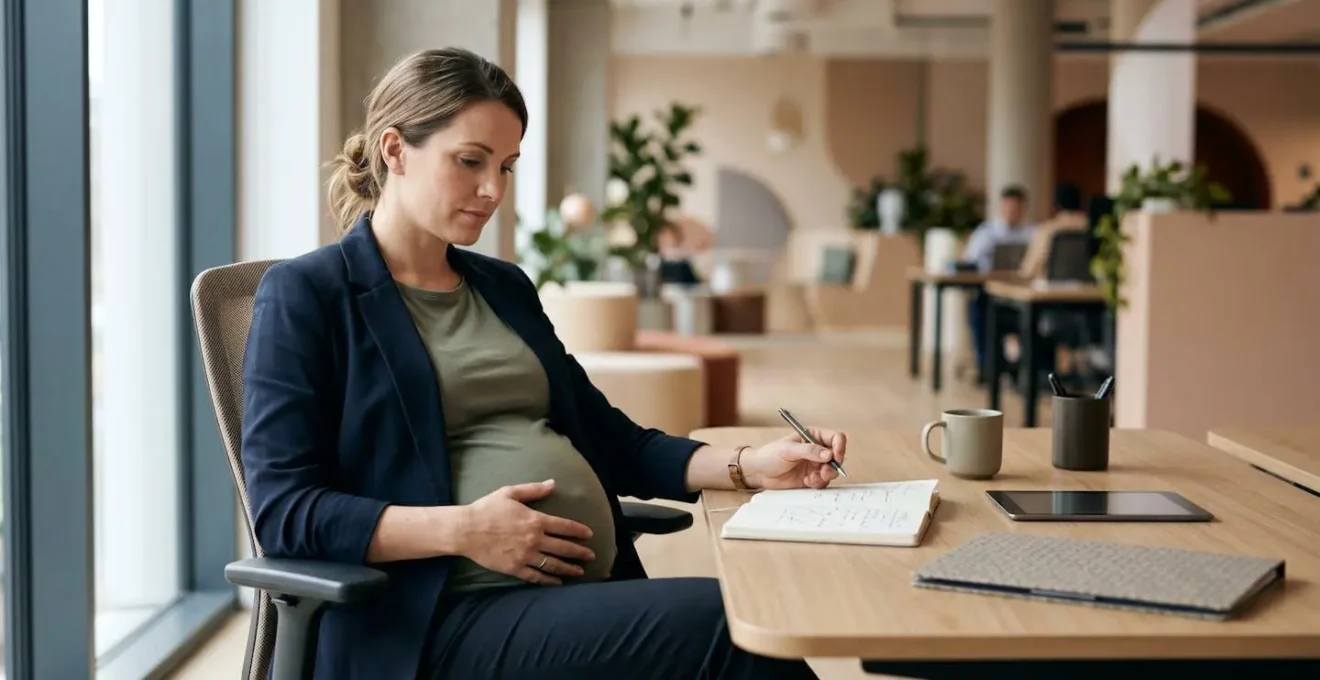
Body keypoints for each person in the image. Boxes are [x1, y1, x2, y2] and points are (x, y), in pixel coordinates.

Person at [241, 47, 844, 680]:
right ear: (394, 150)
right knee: (733, 630)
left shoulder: (502, 287)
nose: (492, 190)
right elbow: (286, 511)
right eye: (470, 161)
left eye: (505, 167)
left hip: (560, 600)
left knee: (744, 625)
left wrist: (750, 465)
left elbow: (611, 440)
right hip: (432, 620)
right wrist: (466, 530)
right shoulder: (308, 294)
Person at [964, 185, 1035, 378]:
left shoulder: (1032, 233)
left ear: (1024, 208)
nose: (1012, 212)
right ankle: (987, 366)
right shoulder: (986, 233)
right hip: (990, 293)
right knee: (978, 307)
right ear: (1002, 207)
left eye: (1017, 208)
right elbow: (969, 263)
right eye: (1009, 207)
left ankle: (1028, 370)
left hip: (1021, 295)